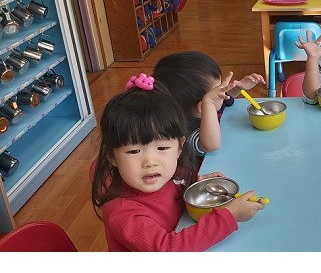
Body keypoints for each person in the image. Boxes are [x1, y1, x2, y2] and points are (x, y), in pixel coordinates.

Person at [90, 73, 264, 251]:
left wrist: (196, 184)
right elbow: (169, 249)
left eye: (162, 148)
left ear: (180, 147)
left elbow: (179, 185)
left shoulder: (172, 175)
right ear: (111, 156)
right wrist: (230, 215)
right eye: (134, 151)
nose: (150, 162)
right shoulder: (122, 213)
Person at [153, 51, 265, 161]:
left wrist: (239, 88)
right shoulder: (184, 131)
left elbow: (224, 101)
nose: (223, 92)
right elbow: (210, 146)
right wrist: (209, 103)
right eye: (219, 90)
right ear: (202, 107)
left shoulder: (201, 109)